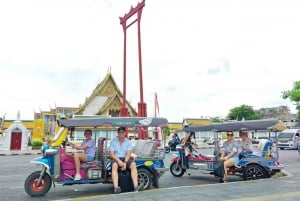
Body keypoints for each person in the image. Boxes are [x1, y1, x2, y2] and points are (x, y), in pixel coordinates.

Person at [109, 126, 139, 194]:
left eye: (122, 132)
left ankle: (136, 187)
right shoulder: (113, 141)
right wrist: (119, 161)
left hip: (126, 158)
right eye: (119, 132)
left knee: (133, 165)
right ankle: (116, 187)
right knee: (114, 165)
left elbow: (129, 153)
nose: (121, 134)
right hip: (116, 158)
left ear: (125, 133)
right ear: (118, 133)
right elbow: (111, 154)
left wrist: (125, 162)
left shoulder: (128, 141)